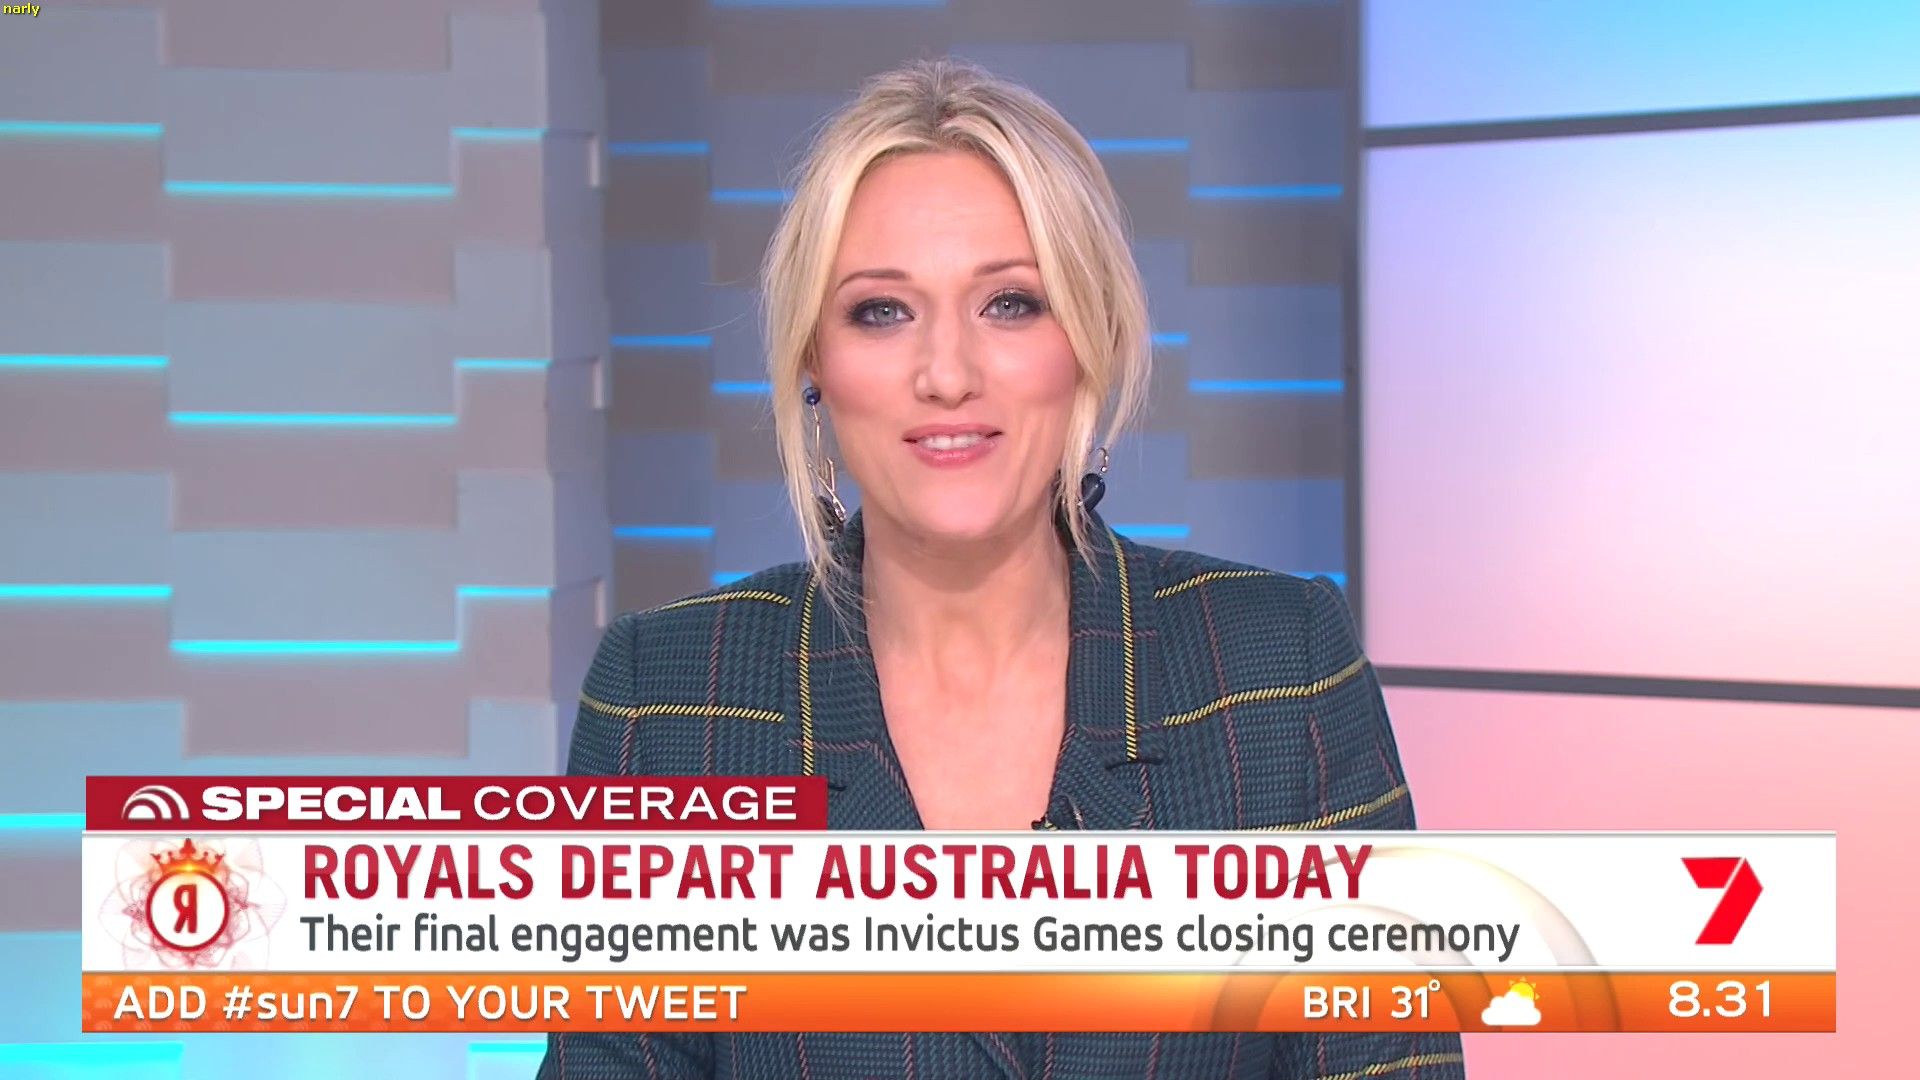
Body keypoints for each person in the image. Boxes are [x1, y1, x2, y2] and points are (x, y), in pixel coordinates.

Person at [540, 58, 1464, 1080]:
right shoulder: (665, 701)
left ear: (1089, 337)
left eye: (1011, 304)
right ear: (814, 361)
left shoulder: (1281, 669)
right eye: (881, 311)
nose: (948, 374)